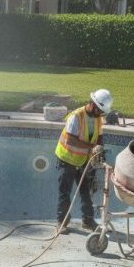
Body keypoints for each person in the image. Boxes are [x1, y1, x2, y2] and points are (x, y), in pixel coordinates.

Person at [54, 88, 113, 234]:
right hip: (67, 159)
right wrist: (91, 148)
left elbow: (99, 136)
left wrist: (99, 148)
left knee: (86, 191)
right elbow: (71, 140)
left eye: (102, 111)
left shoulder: (98, 118)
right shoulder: (76, 116)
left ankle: (88, 221)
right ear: (92, 104)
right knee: (65, 192)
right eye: (100, 110)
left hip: (84, 160)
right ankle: (62, 223)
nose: (101, 114)